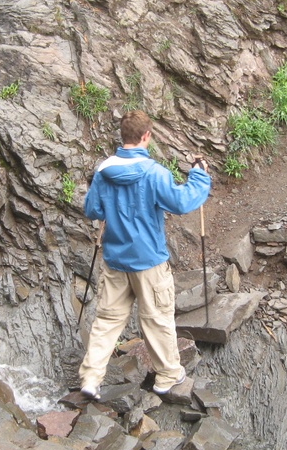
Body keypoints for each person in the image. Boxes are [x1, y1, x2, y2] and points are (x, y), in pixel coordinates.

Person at [79, 110, 211, 400]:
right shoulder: (155, 173)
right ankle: (167, 376)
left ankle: (90, 379)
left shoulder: (103, 171)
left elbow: (92, 211)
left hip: (115, 260)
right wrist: (199, 176)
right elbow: (181, 202)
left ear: (122, 136)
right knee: (157, 319)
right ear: (146, 136)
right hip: (149, 261)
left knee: (107, 320)